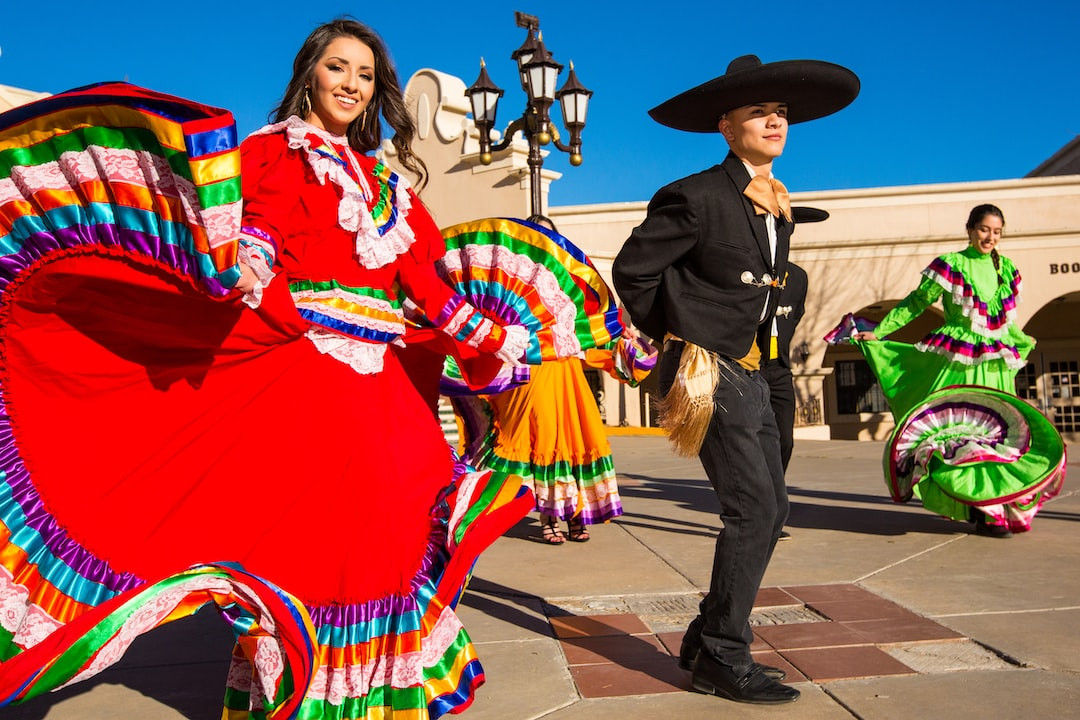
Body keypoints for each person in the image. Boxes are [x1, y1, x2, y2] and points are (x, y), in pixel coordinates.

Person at [0, 19, 542, 719]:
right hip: (310, 380)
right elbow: (261, 231)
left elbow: (430, 291)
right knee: (324, 547)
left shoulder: (392, 188)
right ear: (309, 74)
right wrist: (244, 266)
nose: (351, 84)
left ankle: (373, 694)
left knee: (398, 530)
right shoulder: (278, 153)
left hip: (384, 394)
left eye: (365, 75)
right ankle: (308, 693)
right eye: (338, 68)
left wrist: (495, 336)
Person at [612, 55, 859, 705]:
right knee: (753, 510)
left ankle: (707, 633)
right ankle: (723, 654)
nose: (776, 120)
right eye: (759, 112)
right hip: (708, 368)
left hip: (758, 374)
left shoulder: (776, 205)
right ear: (726, 127)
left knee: (771, 509)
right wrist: (684, 330)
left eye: (781, 112)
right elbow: (634, 272)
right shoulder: (695, 195)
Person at [844, 204, 1065, 538]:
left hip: (994, 364)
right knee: (963, 433)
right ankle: (982, 509)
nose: (990, 237)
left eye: (997, 231)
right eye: (984, 229)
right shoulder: (951, 265)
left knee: (998, 435)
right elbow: (916, 302)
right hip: (958, 360)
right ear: (970, 229)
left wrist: (1020, 340)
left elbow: (1007, 321)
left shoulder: (1007, 269)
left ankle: (992, 505)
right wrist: (882, 332)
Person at [762, 207, 827, 540]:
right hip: (748, 370)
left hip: (779, 370)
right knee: (755, 444)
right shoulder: (748, 272)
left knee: (783, 441)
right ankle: (764, 513)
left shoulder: (798, 278)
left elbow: (795, 315)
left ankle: (770, 504)